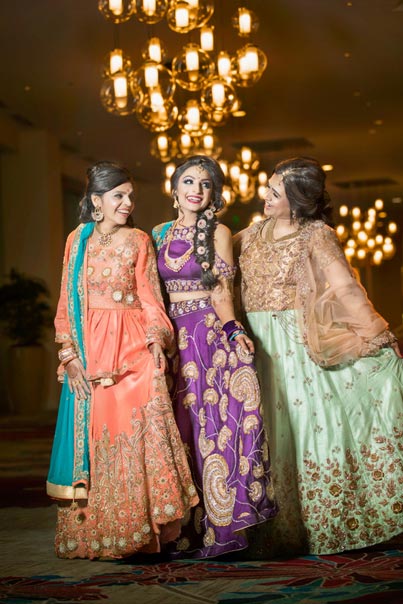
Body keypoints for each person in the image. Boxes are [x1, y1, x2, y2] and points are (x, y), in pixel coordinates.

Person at [234, 156, 403, 557]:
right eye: (268, 187)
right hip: (254, 347)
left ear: (297, 202)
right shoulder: (253, 233)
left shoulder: (316, 235)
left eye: (275, 192)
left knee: (307, 427)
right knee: (264, 435)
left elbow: (344, 289)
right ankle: (267, 527)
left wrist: (377, 334)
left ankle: (323, 524)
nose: (265, 196)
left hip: (296, 346)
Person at [47, 161, 198, 559]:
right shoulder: (76, 241)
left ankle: (144, 533)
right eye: (119, 196)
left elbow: (150, 299)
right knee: (98, 441)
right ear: (96, 201)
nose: (128, 203)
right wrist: (69, 355)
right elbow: (65, 301)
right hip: (90, 353)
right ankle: (100, 534)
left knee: (137, 439)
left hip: (132, 351)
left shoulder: (138, 241)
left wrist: (155, 343)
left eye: (130, 195)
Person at [152, 155, 277, 559]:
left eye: (205, 185)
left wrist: (233, 330)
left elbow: (222, 292)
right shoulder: (156, 234)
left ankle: (220, 526)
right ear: (174, 190)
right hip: (169, 341)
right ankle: (178, 530)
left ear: (213, 194)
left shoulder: (219, 232)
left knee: (213, 428)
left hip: (207, 340)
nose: (196, 190)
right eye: (189, 182)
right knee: (177, 431)